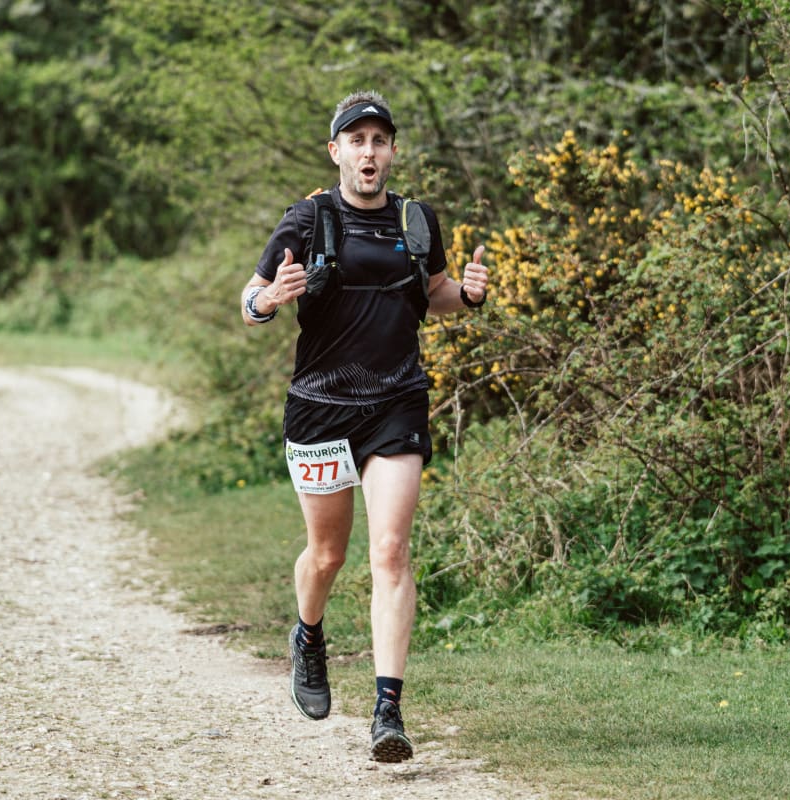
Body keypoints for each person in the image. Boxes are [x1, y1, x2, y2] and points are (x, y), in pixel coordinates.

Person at [241, 90, 488, 763]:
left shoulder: (416, 219)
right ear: (337, 152)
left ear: (392, 152)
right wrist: (269, 299)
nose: (369, 152)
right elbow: (250, 297)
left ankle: (388, 711)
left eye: (379, 140)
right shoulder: (308, 218)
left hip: (396, 402)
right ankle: (308, 635)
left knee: (391, 551)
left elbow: (434, 294)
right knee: (328, 556)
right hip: (320, 406)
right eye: (357, 141)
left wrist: (467, 295)